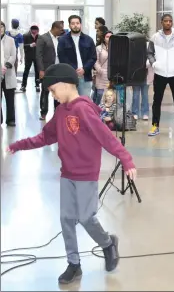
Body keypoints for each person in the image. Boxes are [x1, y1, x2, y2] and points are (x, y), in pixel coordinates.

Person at [6, 63, 137, 285]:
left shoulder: (83, 110)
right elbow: (45, 137)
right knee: (66, 219)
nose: (52, 94)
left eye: (53, 89)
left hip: (86, 174)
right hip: (67, 173)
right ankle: (73, 264)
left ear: (66, 84)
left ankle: (107, 244)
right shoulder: (60, 112)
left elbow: (106, 137)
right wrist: (18, 145)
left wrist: (126, 159)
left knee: (86, 217)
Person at [147, 14, 174, 137]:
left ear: (172, 22)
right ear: (162, 22)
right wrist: (154, 63)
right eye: (166, 21)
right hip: (160, 73)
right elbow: (150, 53)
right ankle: (155, 125)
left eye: (170, 21)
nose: (168, 23)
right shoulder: (155, 37)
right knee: (157, 101)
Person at [58, 15, 97, 97]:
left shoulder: (88, 40)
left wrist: (84, 69)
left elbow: (93, 57)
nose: (75, 25)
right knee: (70, 103)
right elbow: (62, 58)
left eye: (77, 23)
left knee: (84, 102)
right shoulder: (62, 40)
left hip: (85, 76)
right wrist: (74, 69)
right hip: (70, 77)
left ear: (80, 25)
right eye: (73, 23)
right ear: (69, 25)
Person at [36, 21, 64, 120]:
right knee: (45, 91)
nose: (62, 31)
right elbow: (38, 55)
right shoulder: (43, 38)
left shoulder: (61, 39)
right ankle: (43, 112)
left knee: (58, 91)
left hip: (59, 69)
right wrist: (41, 70)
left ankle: (57, 112)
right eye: (60, 29)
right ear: (55, 28)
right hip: (47, 70)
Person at [1, 21, 17, 127]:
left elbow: (13, 55)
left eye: (1, 26)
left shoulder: (11, 40)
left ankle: (10, 119)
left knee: (10, 98)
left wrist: (5, 66)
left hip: (8, 72)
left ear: (4, 28)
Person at [20, 23, 40, 92]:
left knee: (37, 71)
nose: (35, 33)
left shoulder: (39, 36)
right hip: (28, 56)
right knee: (26, 71)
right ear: (31, 30)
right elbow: (22, 46)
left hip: (37, 57)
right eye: (33, 31)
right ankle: (23, 85)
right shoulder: (25, 35)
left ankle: (37, 85)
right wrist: (30, 45)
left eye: (36, 31)